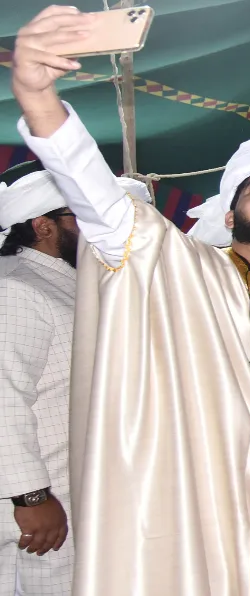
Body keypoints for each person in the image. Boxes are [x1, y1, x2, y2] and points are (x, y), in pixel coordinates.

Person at [11, 9, 250, 593]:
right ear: (231, 213)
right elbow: (101, 203)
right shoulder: (177, 269)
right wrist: (38, 99)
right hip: (202, 506)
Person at [0, 170, 77, 595]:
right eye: (79, 216)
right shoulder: (16, 288)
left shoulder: (65, 285)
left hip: (72, 496)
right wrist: (30, 497)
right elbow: (3, 396)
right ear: (43, 226)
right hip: (38, 512)